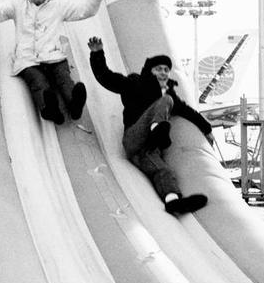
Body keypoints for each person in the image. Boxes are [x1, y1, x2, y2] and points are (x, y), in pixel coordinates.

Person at [88, 36, 211, 215]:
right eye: (159, 69)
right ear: (149, 71)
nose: (163, 73)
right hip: (134, 137)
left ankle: (173, 202)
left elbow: (186, 111)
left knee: (163, 170)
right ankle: (157, 128)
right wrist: (97, 54)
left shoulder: (168, 93)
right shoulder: (134, 83)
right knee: (166, 101)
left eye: (166, 70)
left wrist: (207, 129)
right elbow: (107, 77)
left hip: (144, 150)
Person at [0, 0, 115, 124]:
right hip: (29, 59)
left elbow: (85, 10)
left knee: (64, 79)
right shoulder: (18, 4)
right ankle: (50, 111)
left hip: (53, 55)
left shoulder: (58, 5)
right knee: (38, 83)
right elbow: (1, 9)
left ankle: (74, 105)